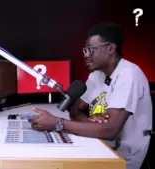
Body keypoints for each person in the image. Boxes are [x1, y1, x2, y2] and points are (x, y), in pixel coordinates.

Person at [29, 23, 152, 169]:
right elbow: (75, 111)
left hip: (122, 160)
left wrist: (58, 123)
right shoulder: (97, 75)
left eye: (91, 50)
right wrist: (90, 122)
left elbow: (110, 130)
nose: (86, 55)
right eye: (84, 50)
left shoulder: (128, 75)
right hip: (100, 146)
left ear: (111, 49)